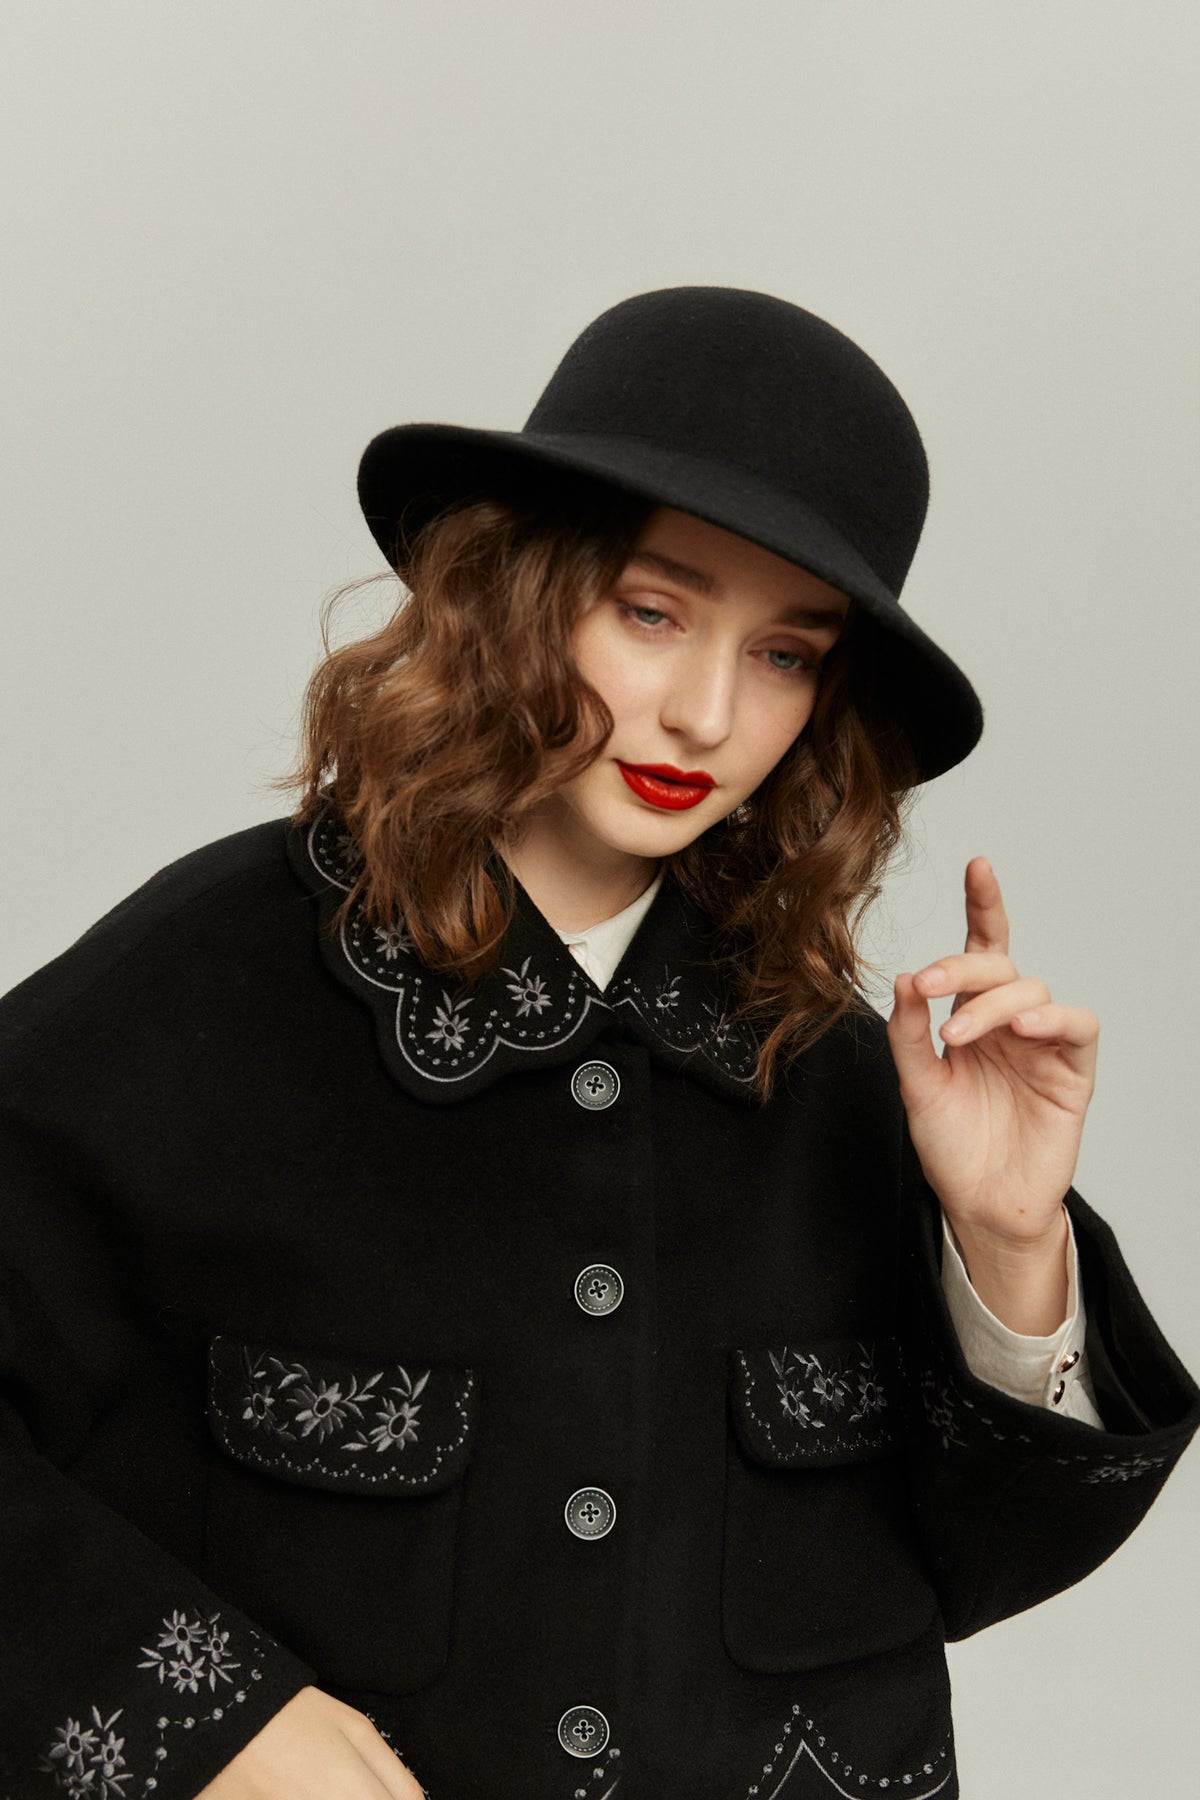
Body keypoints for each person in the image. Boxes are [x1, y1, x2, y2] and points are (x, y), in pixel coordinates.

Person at [1, 287, 1196, 1800]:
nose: (705, 714)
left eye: (786, 655)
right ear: (519, 589)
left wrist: (1011, 1247)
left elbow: (989, 1560)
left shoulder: (839, 1065)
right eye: (652, 612)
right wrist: (206, 1712)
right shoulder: (210, 983)